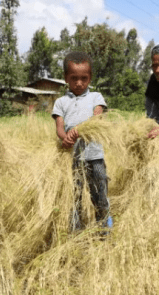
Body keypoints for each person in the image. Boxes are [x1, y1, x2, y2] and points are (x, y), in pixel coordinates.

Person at [52, 51, 112, 232]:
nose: (79, 83)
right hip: (73, 159)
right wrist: (65, 138)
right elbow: (59, 128)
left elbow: (97, 117)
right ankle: (76, 232)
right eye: (74, 78)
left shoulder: (96, 97)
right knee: (74, 195)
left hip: (95, 156)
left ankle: (105, 228)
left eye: (84, 78)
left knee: (99, 192)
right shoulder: (61, 102)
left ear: (90, 77)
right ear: (66, 78)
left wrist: (78, 130)